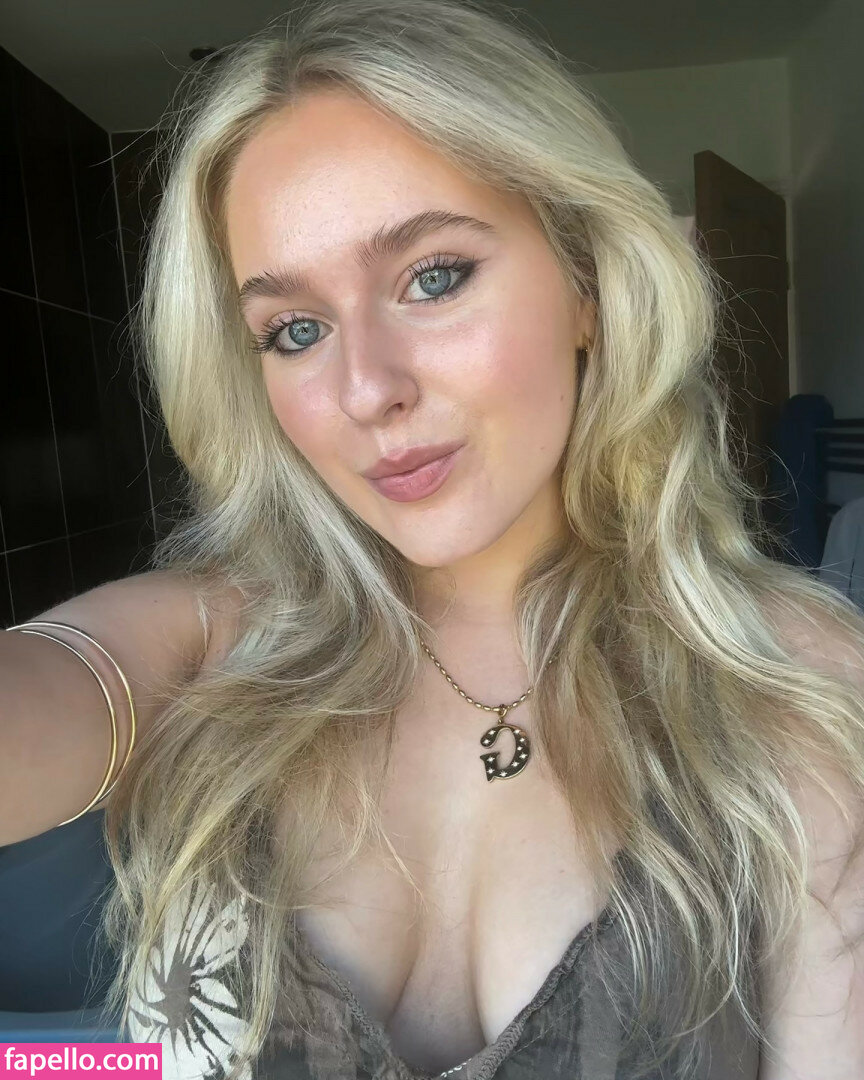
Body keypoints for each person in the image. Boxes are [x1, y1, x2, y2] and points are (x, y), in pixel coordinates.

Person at [3, 0, 864, 1076]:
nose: (366, 389)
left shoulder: (794, 688)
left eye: (434, 276)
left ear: (586, 284)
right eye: (295, 330)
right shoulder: (209, 648)